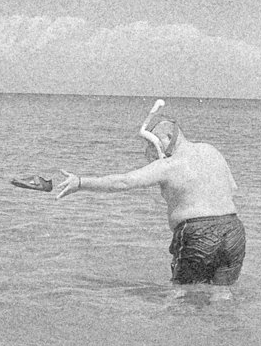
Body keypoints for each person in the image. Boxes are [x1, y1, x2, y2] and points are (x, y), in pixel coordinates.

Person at [55, 112, 246, 286]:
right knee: (222, 292)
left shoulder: (168, 166)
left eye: (152, 142)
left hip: (198, 234)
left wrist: (80, 182)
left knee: (182, 293)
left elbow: (124, 182)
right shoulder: (210, 150)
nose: (151, 148)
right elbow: (233, 187)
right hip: (233, 230)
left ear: (169, 137)